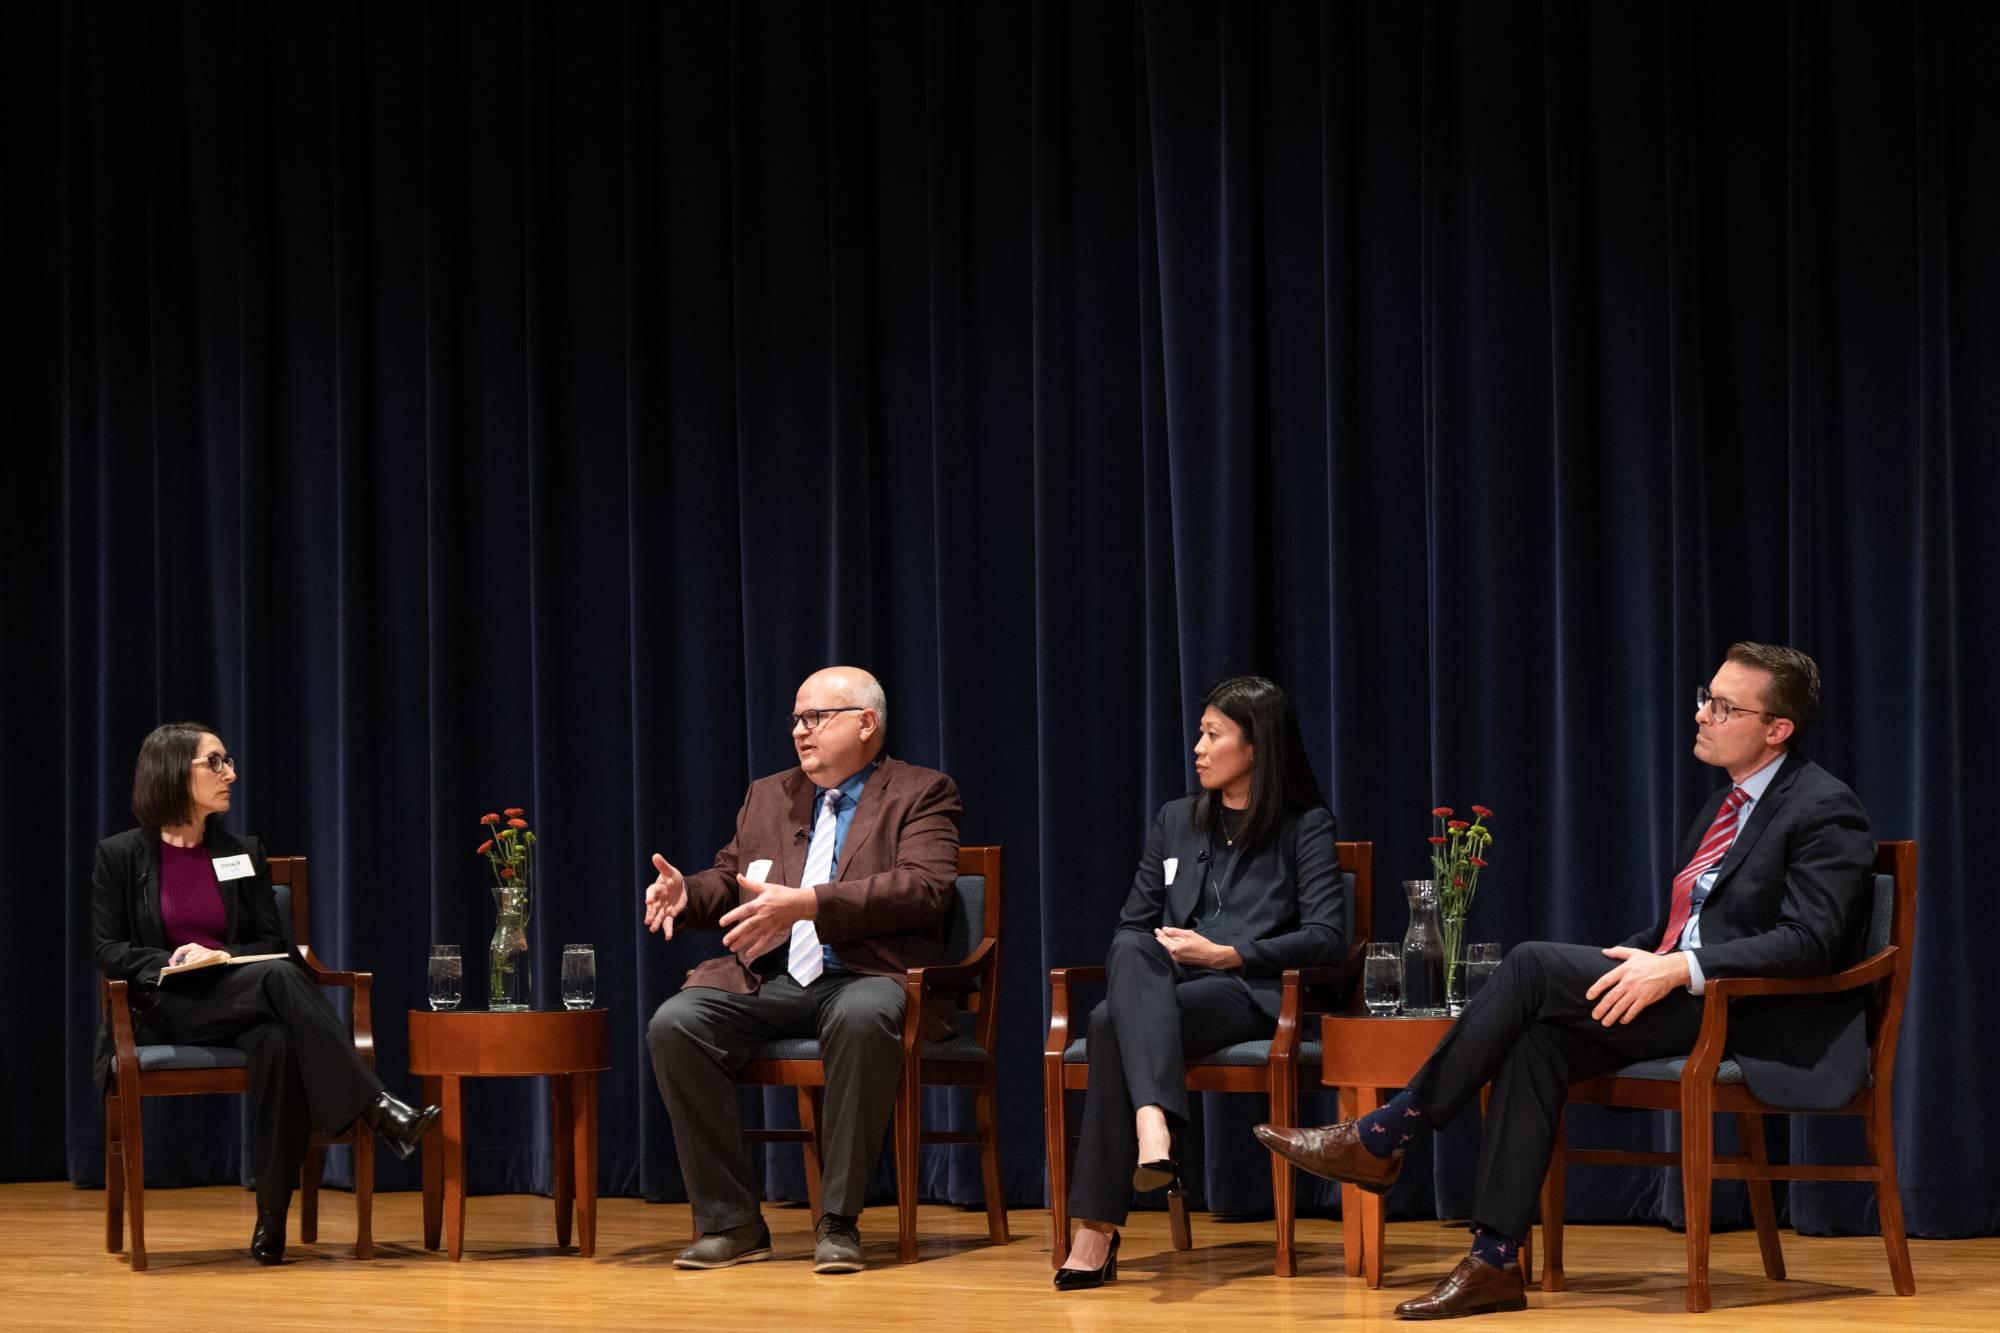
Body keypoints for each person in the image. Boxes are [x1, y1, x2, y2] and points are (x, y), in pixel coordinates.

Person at [1257, 643, 1876, 1319]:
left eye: (1724, 706)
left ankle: (1387, 1132)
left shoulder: (1823, 806)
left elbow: (1812, 942)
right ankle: (1493, 1260)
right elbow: (1692, 923)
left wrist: (1680, 967)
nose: (1701, 713)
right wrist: (1648, 953)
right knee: (1538, 1041)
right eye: (1706, 695)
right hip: (1690, 996)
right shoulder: (1722, 806)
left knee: (1528, 962)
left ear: (1777, 728)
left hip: (1756, 1018)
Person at [643, 666, 961, 1275]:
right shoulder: (770, 794)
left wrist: (810, 903)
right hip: (775, 979)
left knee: (866, 1016)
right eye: (795, 719)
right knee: (676, 1023)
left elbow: (924, 889)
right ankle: (732, 1222)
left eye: (815, 718)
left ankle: (838, 1221)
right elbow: (733, 878)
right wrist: (689, 895)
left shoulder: (922, 791)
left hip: (870, 975)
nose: (799, 731)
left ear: (866, 723)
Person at [91, 722, 440, 1266]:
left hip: (241, 996)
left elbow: (272, 943)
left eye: (228, 761)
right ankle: (377, 1106)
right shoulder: (121, 857)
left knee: (278, 1040)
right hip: (167, 1007)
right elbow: (108, 949)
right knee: (279, 981)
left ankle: (271, 1222)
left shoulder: (241, 852)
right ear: (173, 772)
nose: (231, 773)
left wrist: (224, 957)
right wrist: (173, 959)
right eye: (216, 762)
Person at [1055, 675, 1346, 1290]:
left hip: (1245, 991)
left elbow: (1328, 936)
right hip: (1165, 983)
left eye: (1214, 735)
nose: (1198, 748)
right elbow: (1135, 922)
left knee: (1109, 1022)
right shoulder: (1176, 820)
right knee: (1131, 946)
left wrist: (1231, 954)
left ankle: (1097, 1229)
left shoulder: (1305, 825)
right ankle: (1153, 1126)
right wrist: (1177, 953)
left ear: (1257, 747)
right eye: (1199, 733)